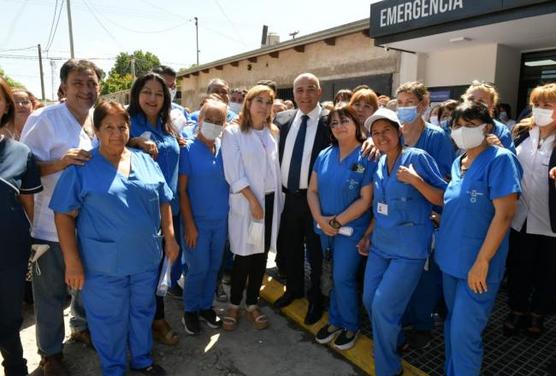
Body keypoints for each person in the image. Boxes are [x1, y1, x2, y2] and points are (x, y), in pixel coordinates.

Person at [50, 101, 178, 376]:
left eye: (122, 126)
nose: (116, 133)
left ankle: (142, 360)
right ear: (96, 130)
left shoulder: (144, 159)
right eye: (108, 127)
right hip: (103, 265)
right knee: (108, 320)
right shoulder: (82, 166)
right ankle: (113, 369)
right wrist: (72, 262)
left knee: (142, 311)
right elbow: (63, 215)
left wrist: (170, 237)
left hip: (145, 259)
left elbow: (165, 200)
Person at [21, 58, 98, 375]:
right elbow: (22, 170)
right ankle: (50, 354)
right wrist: (59, 162)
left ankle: (80, 327)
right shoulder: (45, 118)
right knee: (51, 294)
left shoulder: (94, 118)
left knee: (86, 285)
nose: (85, 89)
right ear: (63, 88)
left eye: (91, 83)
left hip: (87, 224)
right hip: (48, 226)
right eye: (78, 83)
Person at [435, 101, 522, 376]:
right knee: (452, 325)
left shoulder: (500, 160)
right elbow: (459, 203)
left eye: (470, 125)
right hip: (450, 261)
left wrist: (483, 261)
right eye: (458, 125)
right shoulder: (459, 161)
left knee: (464, 333)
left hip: (479, 266)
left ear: (487, 127)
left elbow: (505, 215)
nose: (462, 131)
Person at [360, 108, 447, 376]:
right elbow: (380, 205)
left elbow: (443, 198)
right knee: (368, 300)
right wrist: (368, 234)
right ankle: (394, 341)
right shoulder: (379, 163)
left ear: (399, 131)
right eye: (375, 133)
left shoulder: (417, 158)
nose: (381, 136)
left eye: (387, 130)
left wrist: (417, 181)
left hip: (409, 249)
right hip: (381, 244)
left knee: (383, 306)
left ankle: (388, 368)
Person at [308, 104, 374, 351]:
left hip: (350, 231)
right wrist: (321, 219)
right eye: (334, 123)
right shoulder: (325, 154)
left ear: (356, 123)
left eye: (344, 120)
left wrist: (336, 222)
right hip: (324, 228)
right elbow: (312, 190)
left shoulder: (367, 156)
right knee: (332, 276)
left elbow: (366, 200)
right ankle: (335, 320)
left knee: (343, 277)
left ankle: (350, 324)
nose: (339, 126)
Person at [221, 85, 283, 331]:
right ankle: (235, 305)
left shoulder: (272, 133)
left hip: (269, 202)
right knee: (244, 257)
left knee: (261, 257)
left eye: (269, 102)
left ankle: (252, 303)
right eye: (259, 100)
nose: (264, 106)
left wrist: (265, 204)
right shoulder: (233, 132)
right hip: (249, 204)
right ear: (248, 103)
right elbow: (233, 173)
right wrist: (254, 202)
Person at [127, 72, 181, 346]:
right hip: (143, 213)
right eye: (147, 92)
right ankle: (144, 323)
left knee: (163, 269)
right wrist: (133, 143)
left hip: (171, 210)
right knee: (143, 272)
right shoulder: (126, 124)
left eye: (158, 94)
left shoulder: (166, 126)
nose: (152, 98)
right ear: (137, 95)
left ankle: (157, 318)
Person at [273, 73, 331, 325]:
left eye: (310, 90)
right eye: (299, 90)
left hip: (317, 199)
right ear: (293, 94)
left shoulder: (331, 122)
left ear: (319, 92)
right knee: (290, 247)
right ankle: (294, 290)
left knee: (316, 253)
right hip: (289, 198)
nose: (305, 95)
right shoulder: (282, 119)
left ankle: (316, 299)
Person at [504, 83, 556, 338]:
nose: (541, 110)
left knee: (548, 272)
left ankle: (538, 314)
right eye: (537, 104)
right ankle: (517, 310)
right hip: (519, 218)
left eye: (548, 105)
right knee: (519, 268)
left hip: (550, 222)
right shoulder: (521, 134)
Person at [0, 77, 42, 376]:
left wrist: (30, 243)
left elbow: (29, 205)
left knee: (9, 318)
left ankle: (16, 367)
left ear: (5, 105)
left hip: (9, 251)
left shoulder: (19, 153)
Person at [179, 100, 229, 335]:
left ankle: (206, 306)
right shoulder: (187, 150)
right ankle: (190, 309)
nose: (214, 125)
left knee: (213, 267)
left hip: (220, 221)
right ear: (199, 120)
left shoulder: (223, 147)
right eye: (209, 120)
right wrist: (189, 224)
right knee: (197, 267)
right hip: (197, 222)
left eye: (220, 122)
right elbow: (182, 191)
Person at [462, 80, 516, 153]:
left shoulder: (501, 131)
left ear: (492, 105)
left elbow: (510, 161)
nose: (474, 103)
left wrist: (500, 149)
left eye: (481, 101)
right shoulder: (455, 126)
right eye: (470, 99)